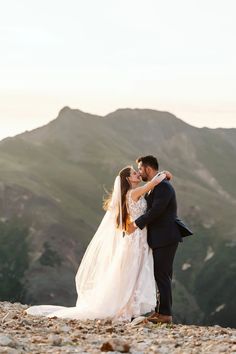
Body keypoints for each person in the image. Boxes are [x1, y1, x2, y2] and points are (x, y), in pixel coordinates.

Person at [26, 165, 171, 321]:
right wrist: (165, 174)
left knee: (133, 273)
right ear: (128, 179)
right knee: (132, 273)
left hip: (138, 239)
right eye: (134, 173)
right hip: (136, 240)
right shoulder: (133, 193)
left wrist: (164, 175)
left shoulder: (130, 194)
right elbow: (153, 183)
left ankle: (128, 308)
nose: (137, 174)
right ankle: (125, 310)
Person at [127, 155, 183, 324]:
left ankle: (165, 314)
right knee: (161, 274)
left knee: (162, 274)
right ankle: (161, 311)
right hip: (159, 237)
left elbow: (156, 211)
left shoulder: (163, 187)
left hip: (166, 236)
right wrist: (164, 174)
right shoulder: (156, 186)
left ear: (148, 169)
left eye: (140, 169)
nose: (139, 172)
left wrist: (136, 224)